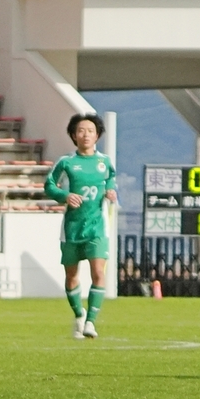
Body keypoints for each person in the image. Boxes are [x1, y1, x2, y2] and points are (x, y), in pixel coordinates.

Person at [44, 113, 117, 339]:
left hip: (96, 227)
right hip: (72, 228)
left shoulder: (104, 162)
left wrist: (111, 191)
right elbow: (49, 185)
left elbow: (111, 180)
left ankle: (91, 323)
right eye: (81, 131)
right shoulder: (66, 163)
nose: (86, 135)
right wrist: (65, 196)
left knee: (98, 272)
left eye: (91, 131)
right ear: (74, 135)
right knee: (72, 276)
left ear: (97, 136)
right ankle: (78, 314)